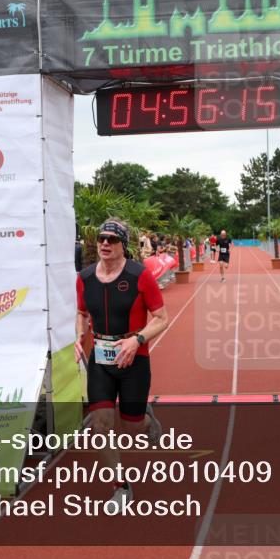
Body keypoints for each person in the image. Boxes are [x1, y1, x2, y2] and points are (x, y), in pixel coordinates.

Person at [75, 218, 168, 511]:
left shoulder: (140, 276)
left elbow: (162, 318)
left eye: (112, 240)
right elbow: (81, 312)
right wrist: (79, 335)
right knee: (101, 425)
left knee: (132, 427)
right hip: (100, 360)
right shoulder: (85, 277)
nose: (104, 243)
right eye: (102, 238)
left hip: (133, 357)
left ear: (122, 245)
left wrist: (136, 340)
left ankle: (147, 420)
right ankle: (120, 485)